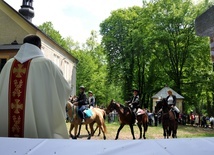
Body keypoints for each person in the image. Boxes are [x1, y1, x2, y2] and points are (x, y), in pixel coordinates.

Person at [0, 34, 71, 139]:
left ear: (24, 45)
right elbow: (65, 89)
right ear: (39, 47)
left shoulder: (8, 64)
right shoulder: (47, 65)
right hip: (38, 132)